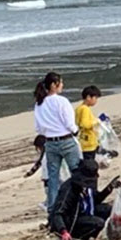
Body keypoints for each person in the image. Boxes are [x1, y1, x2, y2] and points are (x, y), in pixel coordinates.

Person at [33, 72, 82, 211]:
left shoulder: (39, 104)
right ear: (54, 85)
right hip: (65, 139)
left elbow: (39, 128)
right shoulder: (61, 101)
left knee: (53, 178)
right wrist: (75, 130)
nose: (62, 85)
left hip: (50, 142)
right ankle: (78, 203)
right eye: (61, 82)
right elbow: (69, 122)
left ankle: (53, 208)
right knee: (76, 172)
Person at [49, 157, 121, 240]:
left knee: (108, 209)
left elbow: (95, 200)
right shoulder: (69, 189)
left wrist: (109, 188)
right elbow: (58, 213)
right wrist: (64, 231)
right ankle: (80, 239)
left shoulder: (88, 185)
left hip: (85, 213)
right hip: (71, 222)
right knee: (98, 223)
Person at [74, 85, 102, 158]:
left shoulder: (79, 108)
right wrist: (97, 122)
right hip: (88, 143)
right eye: (95, 98)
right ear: (88, 97)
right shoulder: (85, 109)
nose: (96, 101)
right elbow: (85, 124)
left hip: (83, 141)